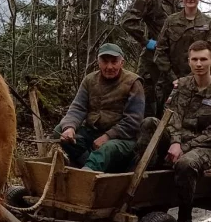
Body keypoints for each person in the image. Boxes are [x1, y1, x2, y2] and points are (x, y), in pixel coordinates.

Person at [158, 40, 211, 222]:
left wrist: (183, 146)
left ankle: (184, 219)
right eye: (195, 59)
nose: (199, 64)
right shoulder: (180, 86)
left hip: (206, 147)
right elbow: (171, 117)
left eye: (203, 59)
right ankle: (142, 197)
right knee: (149, 124)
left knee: (185, 163)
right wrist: (175, 141)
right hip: (179, 139)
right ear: (189, 62)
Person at [56, 43, 145, 172]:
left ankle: (88, 174)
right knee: (60, 131)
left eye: (114, 62)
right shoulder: (90, 80)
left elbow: (133, 121)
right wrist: (69, 127)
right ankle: (90, 164)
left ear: (122, 62)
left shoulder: (133, 82)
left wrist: (108, 136)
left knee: (107, 148)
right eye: (105, 61)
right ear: (98, 62)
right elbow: (77, 108)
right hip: (92, 134)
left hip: (123, 140)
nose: (109, 67)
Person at [121, 0, 183, 116]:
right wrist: (146, 42)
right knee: (146, 103)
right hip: (152, 60)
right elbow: (128, 21)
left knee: (170, 104)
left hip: (174, 63)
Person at [154, 0, 211, 109]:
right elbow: (160, 52)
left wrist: (191, 79)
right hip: (170, 83)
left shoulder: (208, 23)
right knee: (168, 121)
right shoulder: (171, 21)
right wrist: (174, 78)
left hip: (199, 83)